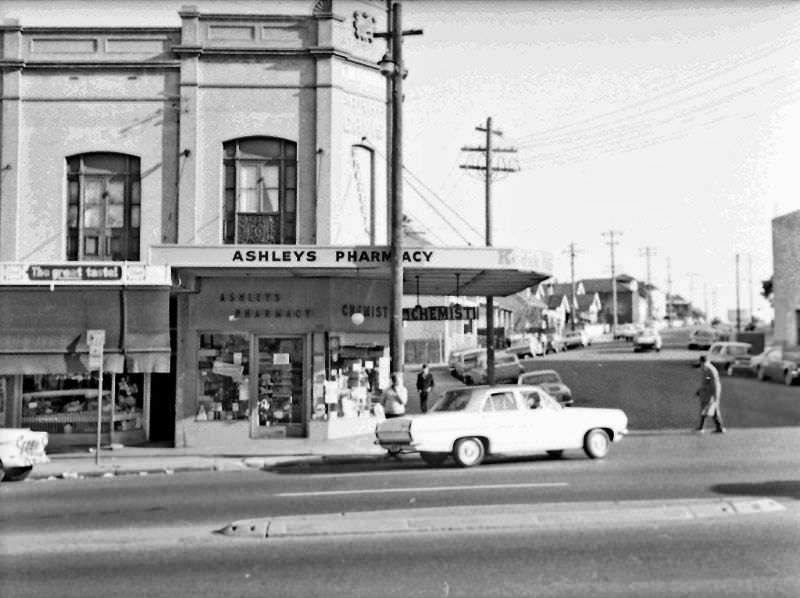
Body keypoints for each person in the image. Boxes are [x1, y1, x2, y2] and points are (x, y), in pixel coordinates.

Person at [695, 355, 726, 434]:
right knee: (712, 410)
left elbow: (713, 382)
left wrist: (715, 396)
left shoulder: (709, 369)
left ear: (703, 362)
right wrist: (700, 390)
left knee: (705, 409)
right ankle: (719, 428)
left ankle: (701, 428)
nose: (701, 365)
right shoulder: (707, 369)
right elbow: (707, 380)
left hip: (710, 393)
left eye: (701, 363)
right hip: (707, 392)